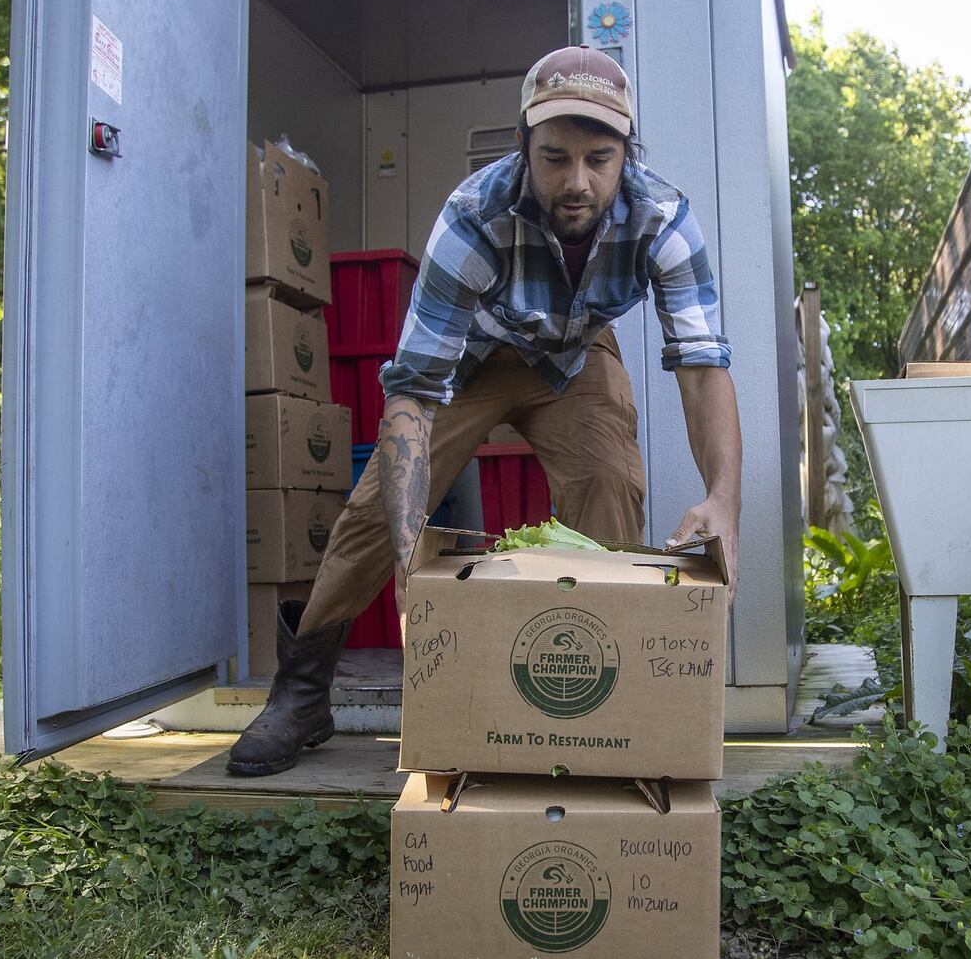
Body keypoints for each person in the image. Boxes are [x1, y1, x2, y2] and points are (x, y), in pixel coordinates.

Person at [229, 45, 742, 776]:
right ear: (522, 147)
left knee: (608, 476)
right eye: (555, 157)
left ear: (628, 154)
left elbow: (701, 365)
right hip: (469, 361)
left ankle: (606, 694)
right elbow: (412, 393)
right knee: (380, 510)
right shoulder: (474, 216)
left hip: (573, 359)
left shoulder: (663, 217)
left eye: (599, 158)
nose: (577, 181)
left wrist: (724, 499)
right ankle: (302, 691)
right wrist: (409, 546)